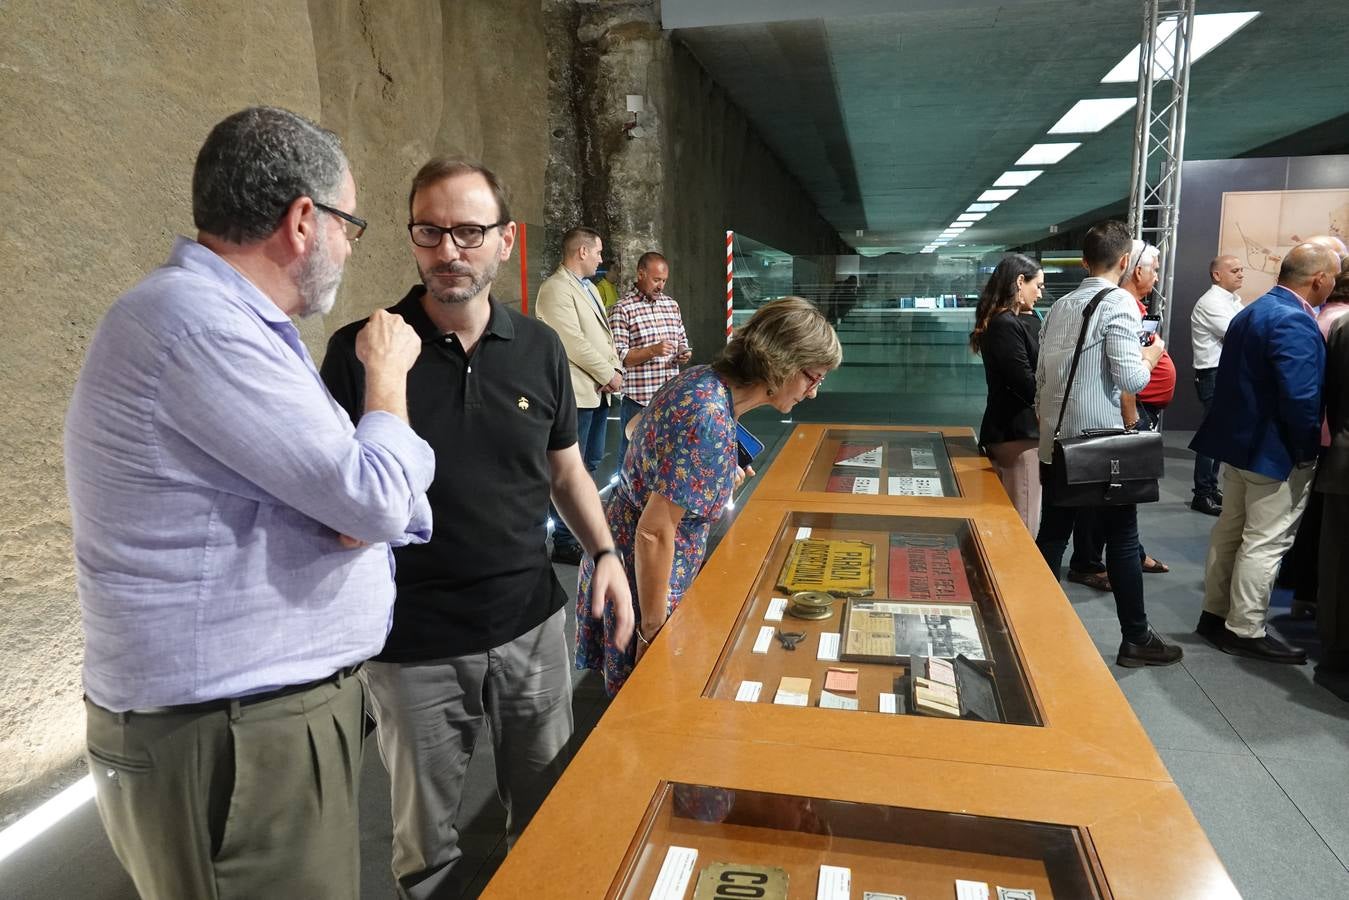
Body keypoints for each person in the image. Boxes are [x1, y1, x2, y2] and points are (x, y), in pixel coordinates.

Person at [64, 106, 435, 900]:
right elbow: (373, 501)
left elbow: (362, 505)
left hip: (252, 725)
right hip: (233, 733)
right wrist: (388, 379)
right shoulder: (202, 329)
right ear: (305, 220)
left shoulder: (229, 325)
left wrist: (368, 505)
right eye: (351, 225)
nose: (346, 246)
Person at [321, 159, 630, 899]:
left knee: (550, 812)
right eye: (429, 230)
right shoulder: (362, 350)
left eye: (468, 230)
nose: (448, 249)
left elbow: (564, 471)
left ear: (505, 241)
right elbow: (338, 505)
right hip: (413, 644)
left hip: (529, 623)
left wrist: (606, 553)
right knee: (425, 844)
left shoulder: (538, 349)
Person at [576, 297, 841, 696]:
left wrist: (714, 468)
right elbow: (654, 533)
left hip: (626, 558)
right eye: (812, 377)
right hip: (645, 580)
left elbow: (636, 428)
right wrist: (653, 632)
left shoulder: (702, 380)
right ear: (783, 363)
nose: (813, 392)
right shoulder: (710, 415)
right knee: (649, 708)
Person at [1033, 220, 1180, 668]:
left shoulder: (1060, 304)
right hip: (1100, 447)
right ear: (1122, 263)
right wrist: (1151, 354)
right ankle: (1136, 637)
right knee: (1121, 535)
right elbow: (1132, 378)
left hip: (1057, 443)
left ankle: (1026, 624)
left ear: (1083, 261)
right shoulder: (1118, 303)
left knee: (1053, 536)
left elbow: (1041, 375)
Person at [1190, 242, 1339, 664]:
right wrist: (1307, 450)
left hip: (1238, 446)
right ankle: (1246, 628)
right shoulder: (1294, 320)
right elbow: (1302, 397)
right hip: (1273, 452)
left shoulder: (1253, 310)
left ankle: (1215, 615)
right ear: (1319, 279)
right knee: (1266, 541)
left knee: (1230, 532)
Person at [535, 226, 624, 564]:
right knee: (569, 469)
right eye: (598, 252)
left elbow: (604, 337)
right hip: (576, 394)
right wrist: (607, 373)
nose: (601, 259)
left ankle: (576, 529)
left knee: (590, 463)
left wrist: (613, 372)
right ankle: (563, 539)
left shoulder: (587, 289)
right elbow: (571, 341)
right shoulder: (556, 289)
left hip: (597, 393)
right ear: (582, 252)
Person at [970, 253, 1044, 535]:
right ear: (1020, 282)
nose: (1040, 292)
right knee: (1023, 525)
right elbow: (1025, 382)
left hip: (1014, 432)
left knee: (1013, 520)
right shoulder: (1005, 324)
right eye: (1037, 285)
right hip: (1018, 435)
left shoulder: (1009, 321)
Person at [610, 250, 692, 464]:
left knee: (666, 456)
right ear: (640, 274)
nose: (661, 286)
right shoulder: (622, 309)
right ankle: (624, 497)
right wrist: (653, 350)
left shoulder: (671, 305)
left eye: (664, 281)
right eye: (656, 280)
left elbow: (681, 339)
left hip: (669, 397)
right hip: (639, 400)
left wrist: (683, 351)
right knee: (631, 456)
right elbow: (621, 357)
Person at [1189, 254, 1246, 515]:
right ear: (1217, 275)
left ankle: (1209, 489)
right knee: (1213, 434)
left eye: (1241, 270)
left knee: (1218, 434)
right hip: (1213, 373)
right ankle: (1202, 493)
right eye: (1234, 270)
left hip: (1223, 373)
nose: (1240, 274)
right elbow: (1238, 334)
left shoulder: (1231, 300)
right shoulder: (1212, 302)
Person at [1314, 307, 1349, 701]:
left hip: (1342, 457)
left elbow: (1332, 396)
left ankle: (1337, 652)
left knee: (1338, 562)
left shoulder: (1342, 327)